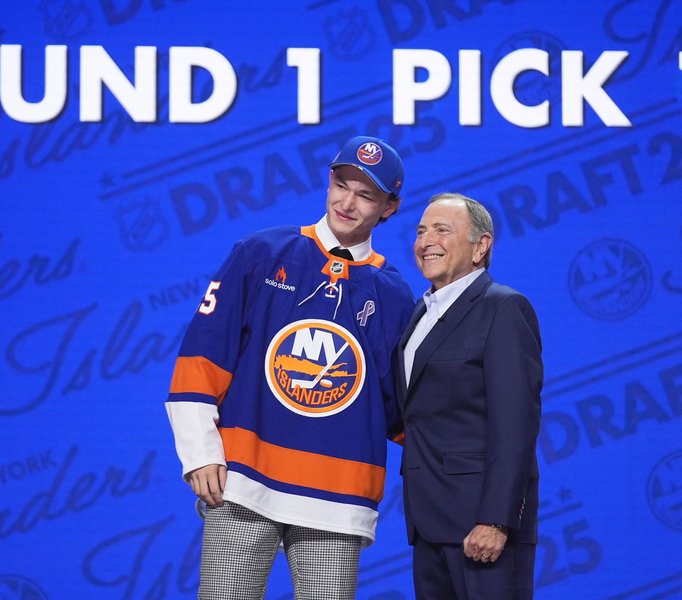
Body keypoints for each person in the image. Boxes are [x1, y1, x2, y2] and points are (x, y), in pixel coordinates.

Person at [166, 136, 415, 599]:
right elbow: (203, 354)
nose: (347, 203)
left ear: (390, 208)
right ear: (329, 181)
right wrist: (199, 452)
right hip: (243, 482)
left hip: (337, 498)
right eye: (341, 186)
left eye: (365, 195)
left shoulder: (395, 295)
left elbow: (403, 408)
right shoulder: (262, 253)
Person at [397, 193, 542, 600]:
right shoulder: (419, 313)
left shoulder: (504, 308)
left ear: (481, 246)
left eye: (442, 230)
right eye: (421, 231)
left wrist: (496, 521)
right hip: (427, 525)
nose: (426, 241)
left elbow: (515, 426)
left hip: (481, 526)